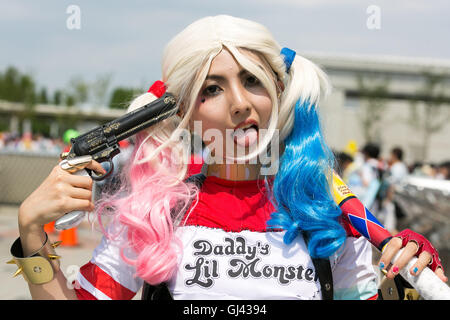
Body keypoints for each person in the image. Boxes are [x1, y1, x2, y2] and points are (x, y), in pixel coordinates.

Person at [12, 15, 446, 300]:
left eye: (253, 80)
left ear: (278, 93)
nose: (240, 104)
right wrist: (32, 234)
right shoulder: (157, 210)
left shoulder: (322, 210)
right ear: (183, 112)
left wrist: (406, 284)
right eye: (212, 89)